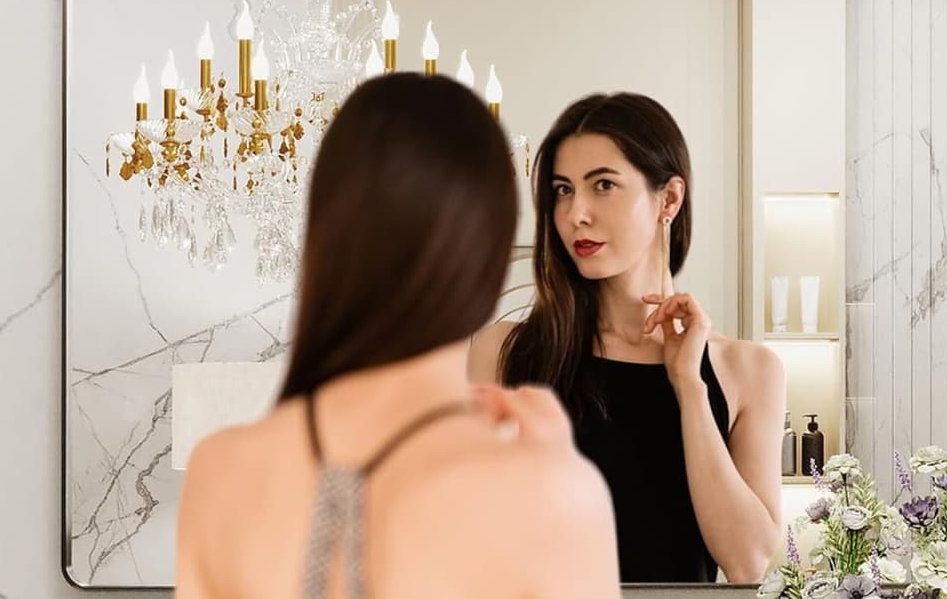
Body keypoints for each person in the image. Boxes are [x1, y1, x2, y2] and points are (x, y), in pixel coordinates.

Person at [176, 74, 620, 599]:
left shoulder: (220, 472)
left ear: (327, 237)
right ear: (486, 252)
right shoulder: (551, 494)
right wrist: (555, 471)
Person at [468, 92, 784, 584]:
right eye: (563, 190)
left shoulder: (748, 370)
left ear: (669, 199)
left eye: (604, 185)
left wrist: (689, 387)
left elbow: (750, 565)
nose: (576, 214)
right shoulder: (504, 353)